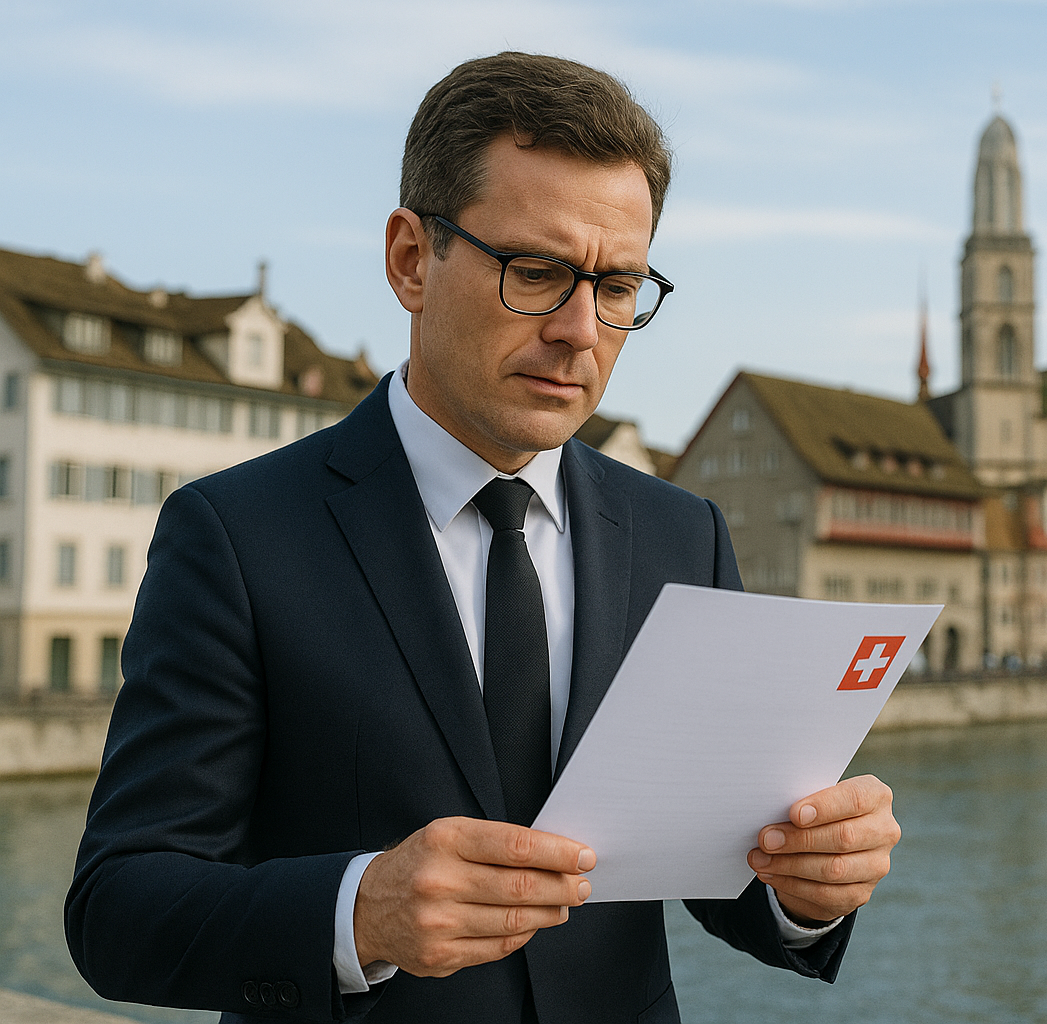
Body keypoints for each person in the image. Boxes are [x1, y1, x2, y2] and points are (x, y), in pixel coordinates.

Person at [65, 52, 901, 1023]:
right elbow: (116, 909)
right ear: (411, 260)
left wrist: (806, 887)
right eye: (537, 272)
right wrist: (359, 911)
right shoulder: (235, 536)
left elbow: (722, 869)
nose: (582, 331)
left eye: (618, 285)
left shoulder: (685, 533)